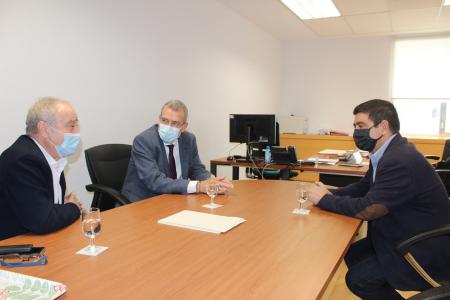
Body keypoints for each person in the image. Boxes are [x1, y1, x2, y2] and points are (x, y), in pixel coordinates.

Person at [308, 99, 450, 299]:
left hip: (423, 247)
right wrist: (330, 193)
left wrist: (324, 200)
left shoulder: (398, 159)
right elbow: (364, 187)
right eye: (355, 126)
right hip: (403, 232)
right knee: (353, 252)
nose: (356, 132)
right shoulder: (386, 152)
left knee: (359, 280)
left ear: (383, 126)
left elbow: (370, 209)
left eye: (361, 126)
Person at [0, 97, 82, 240]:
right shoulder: (23, 160)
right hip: (15, 248)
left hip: (43, 239)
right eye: (71, 125)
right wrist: (74, 207)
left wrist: (63, 206)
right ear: (44, 129)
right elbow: (43, 221)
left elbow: (50, 208)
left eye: (76, 125)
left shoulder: (52, 156)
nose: (76, 133)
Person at [122, 99, 233, 201]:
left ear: (184, 127)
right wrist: (199, 186)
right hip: (144, 201)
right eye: (164, 120)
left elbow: (196, 169)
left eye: (174, 123)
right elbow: (155, 181)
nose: (168, 126)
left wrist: (212, 181)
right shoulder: (144, 141)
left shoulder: (189, 139)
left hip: (175, 199)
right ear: (159, 119)